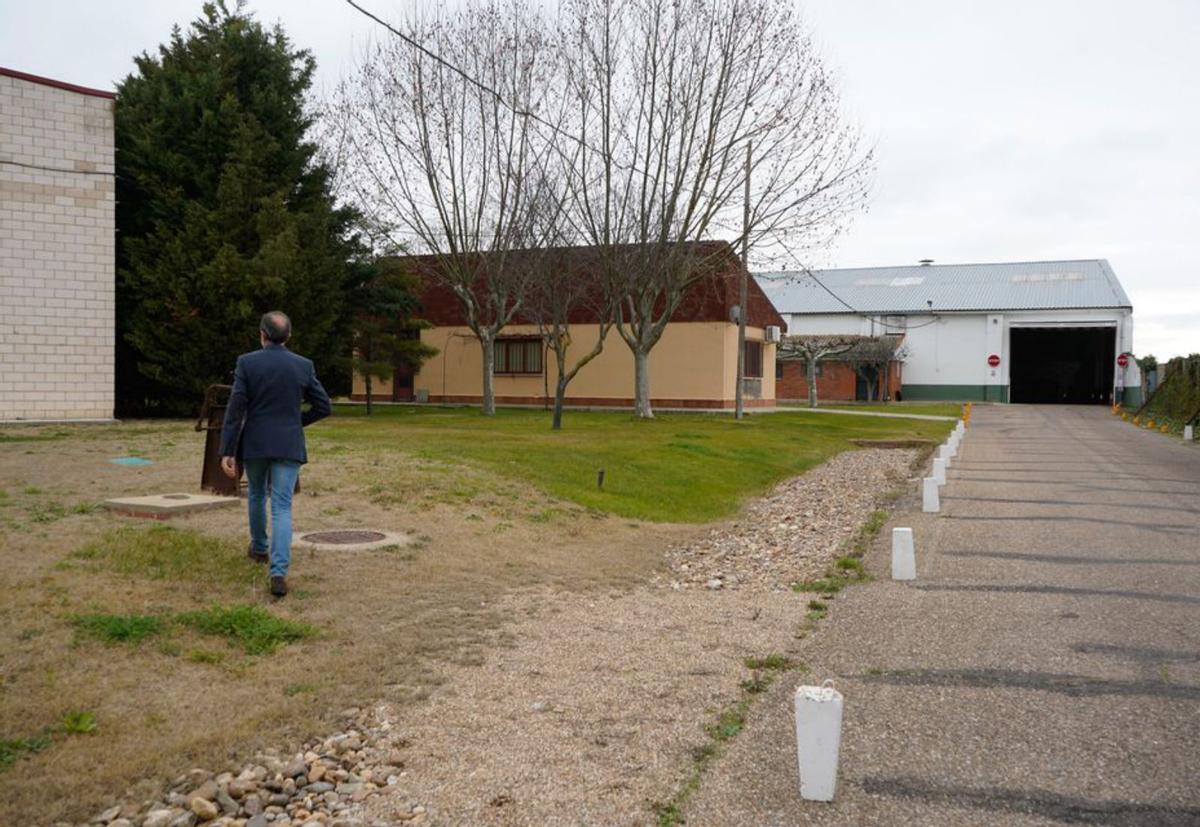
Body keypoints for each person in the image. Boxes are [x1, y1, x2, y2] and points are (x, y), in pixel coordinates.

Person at [219, 311, 332, 597]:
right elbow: (323, 406)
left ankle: (259, 548)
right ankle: (279, 571)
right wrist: (296, 423)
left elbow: (235, 409)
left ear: (262, 334)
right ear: (289, 336)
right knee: (282, 505)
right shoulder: (303, 366)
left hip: (255, 442)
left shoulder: (247, 363)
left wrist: (227, 450)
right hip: (288, 444)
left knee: (257, 494)